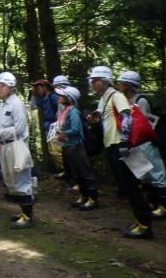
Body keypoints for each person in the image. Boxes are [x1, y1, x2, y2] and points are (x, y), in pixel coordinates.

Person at [87, 66, 154, 239]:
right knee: (126, 186)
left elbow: (127, 117)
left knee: (130, 186)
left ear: (102, 82)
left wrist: (124, 142)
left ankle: (145, 225)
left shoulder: (116, 96)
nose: (92, 84)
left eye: (94, 81)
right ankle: (141, 221)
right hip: (112, 146)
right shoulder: (105, 98)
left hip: (120, 147)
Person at [116, 70, 166, 220]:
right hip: (134, 144)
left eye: (122, 83)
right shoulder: (124, 100)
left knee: (157, 173)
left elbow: (141, 124)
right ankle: (152, 203)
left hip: (146, 143)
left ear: (129, 85)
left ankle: (163, 206)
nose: (119, 85)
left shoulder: (141, 100)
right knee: (144, 175)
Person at [0, 71, 35, 229]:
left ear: (11, 87)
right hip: (6, 146)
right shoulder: (3, 104)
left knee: (21, 180)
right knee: (12, 181)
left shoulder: (17, 104)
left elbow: (20, 128)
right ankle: (24, 213)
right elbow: (0, 126)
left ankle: (28, 218)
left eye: (2, 85)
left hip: (17, 146)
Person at [55, 86, 99, 210]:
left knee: (85, 173)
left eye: (62, 95)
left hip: (76, 146)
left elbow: (75, 129)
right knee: (77, 173)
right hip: (69, 146)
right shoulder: (66, 110)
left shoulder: (73, 111)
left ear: (68, 98)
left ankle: (93, 200)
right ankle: (83, 197)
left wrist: (63, 133)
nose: (59, 97)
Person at [31, 79, 63, 177]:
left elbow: (61, 111)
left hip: (55, 126)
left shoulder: (53, 97)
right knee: (52, 151)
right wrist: (33, 94)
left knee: (56, 151)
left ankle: (67, 171)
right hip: (48, 127)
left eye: (39, 88)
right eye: (36, 88)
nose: (37, 90)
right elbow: (33, 106)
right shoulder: (43, 99)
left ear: (46, 87)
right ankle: (62, 171)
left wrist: (59, 126)